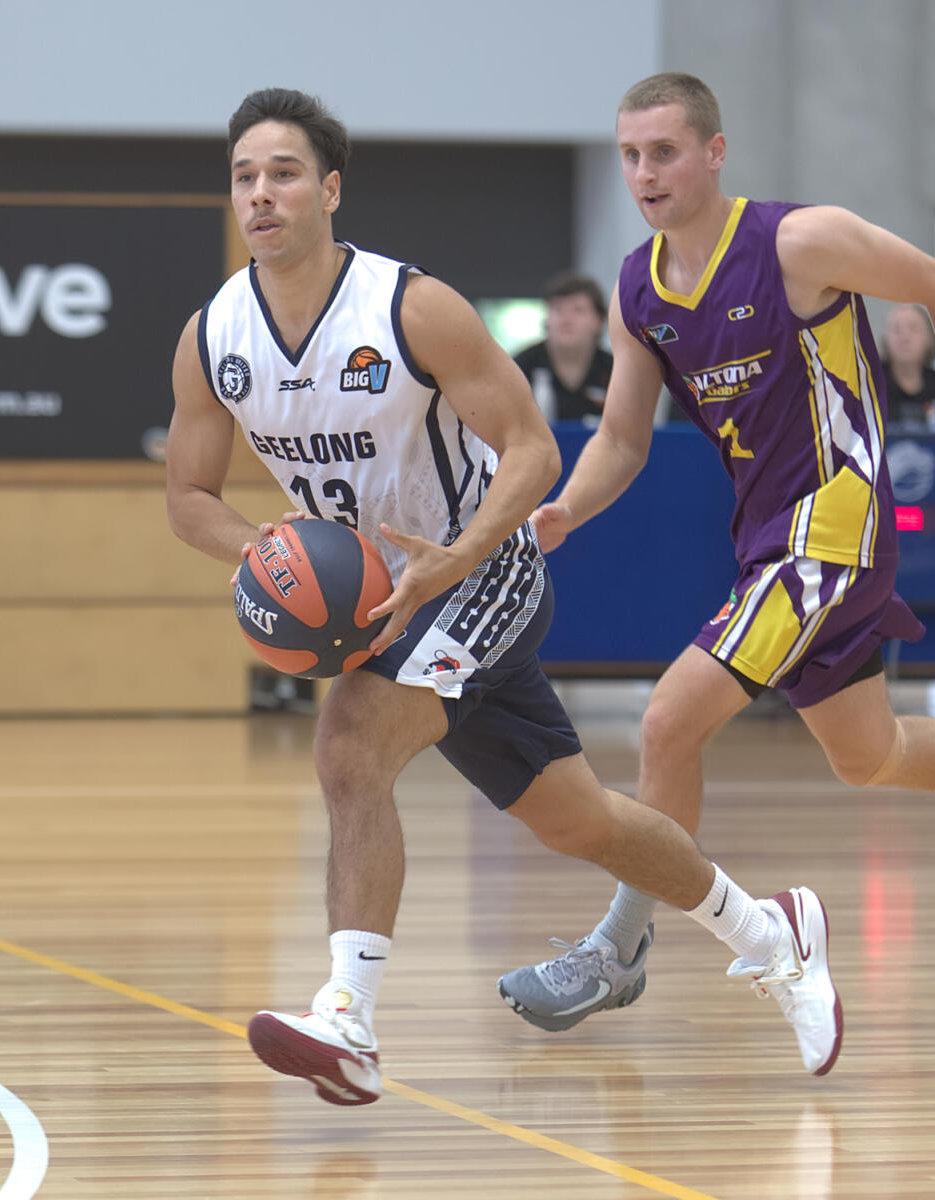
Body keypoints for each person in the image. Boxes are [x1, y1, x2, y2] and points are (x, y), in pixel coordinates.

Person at [166, 86, 843, 1107]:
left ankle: (347, 1018)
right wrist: (262, 546)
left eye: (285, 172)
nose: (262, 193)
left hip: (485, 568)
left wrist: (454, 555)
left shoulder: (410, 307)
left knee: (350, 744)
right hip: (384, 602)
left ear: (331, 189)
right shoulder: (212, 335)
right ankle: (771, 932)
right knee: (580, 822)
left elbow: (531, 450)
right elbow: (188, 498)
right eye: (245, 177)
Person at [497, 72, 935, 1041]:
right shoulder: (638, 289)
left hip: (839, 523)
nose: (643, 173)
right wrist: (567, 508)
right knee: (875, 755)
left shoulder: (797, 242)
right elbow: (621, 438)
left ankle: (619, 948)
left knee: (666, 725)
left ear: (714, 152)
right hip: (767, 540)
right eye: (629, 155)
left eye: (663, 152)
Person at [513, 272, 612, 423]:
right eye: (557, 309)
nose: (566, 319)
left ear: (599, 321)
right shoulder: (520, 367)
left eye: (578, 310)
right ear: (546, 319)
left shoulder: (614, 369)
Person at [880, 303, 935, 426]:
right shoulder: (869, 384)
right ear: (885, 339)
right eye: (896, 330)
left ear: (929, 337)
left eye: (914, 329)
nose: (905, 338)